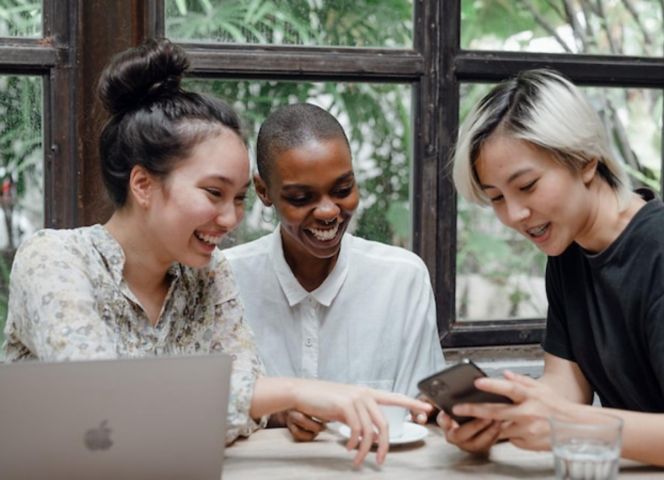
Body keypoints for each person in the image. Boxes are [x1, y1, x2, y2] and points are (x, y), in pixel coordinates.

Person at [3, 38, 432, 467]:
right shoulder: (54, 260)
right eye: (214, 193)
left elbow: (244, 409)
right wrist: (295, 391)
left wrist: (246, 403)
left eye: (240, 198)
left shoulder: (208, 274)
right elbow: (103, 411)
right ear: (143, 185)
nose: (230, 219)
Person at [442, 68, 664, 466]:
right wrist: (498, 419)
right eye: (495, 198)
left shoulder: (657, 249)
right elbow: (566, 387)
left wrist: (571, 424)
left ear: (585, 160)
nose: (514, 214)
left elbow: (569, 415)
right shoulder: (568, 253)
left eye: (526, 186)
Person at [223, 103, 445, 441]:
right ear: (264, 191)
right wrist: (279, 411)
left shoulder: (401, 279)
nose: (328, 211)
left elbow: (421, 411)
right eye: (300, 197)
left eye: (343, 190)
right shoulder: (225, 280)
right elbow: (199, 408)